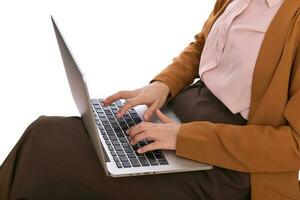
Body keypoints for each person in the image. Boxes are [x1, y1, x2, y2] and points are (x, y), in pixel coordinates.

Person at [1, 0, 300, 199]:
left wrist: (183, 137)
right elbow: (204, 44)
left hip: (231, 164)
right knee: (44, 134)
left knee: (56, 163)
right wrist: (163, 84)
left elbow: (294, 147)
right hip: (177, 115)